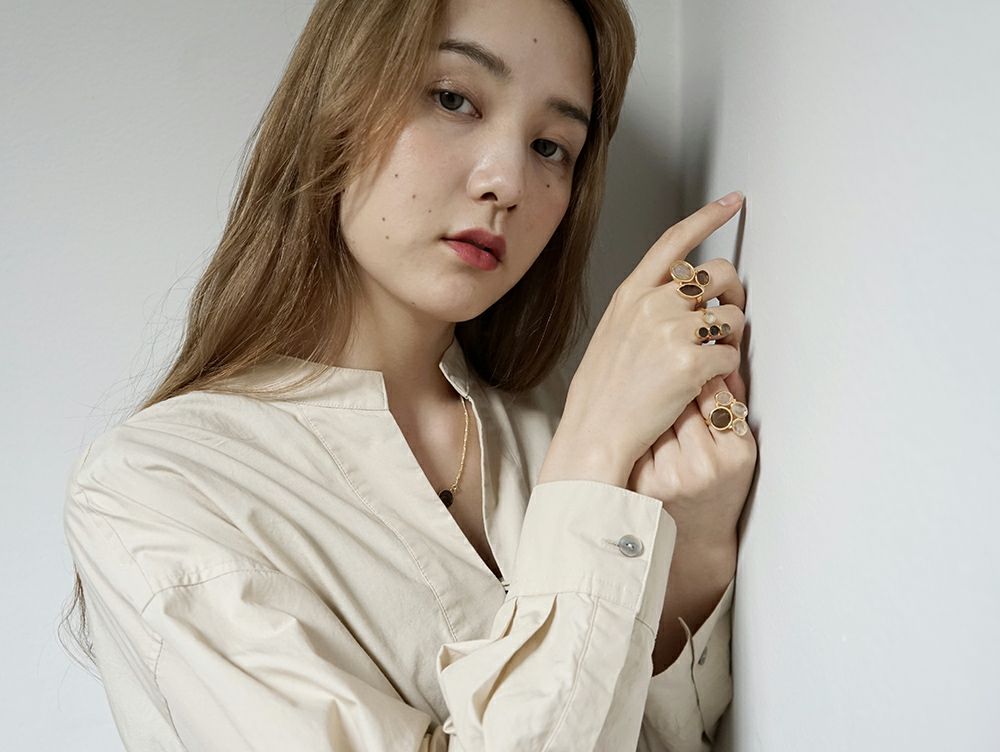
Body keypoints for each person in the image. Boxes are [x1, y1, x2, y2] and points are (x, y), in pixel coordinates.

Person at [61, 0, 755, 749]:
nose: (507, 181)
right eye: (453, 99)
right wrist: (593, 455)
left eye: (551, 146)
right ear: (338, 102)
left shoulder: (550, 425)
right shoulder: (156, 487)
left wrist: (695, 548)